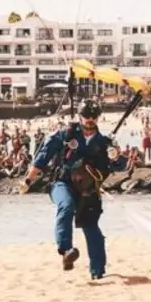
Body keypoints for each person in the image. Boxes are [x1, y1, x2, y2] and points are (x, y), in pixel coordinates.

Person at [22, 100, 122, 280]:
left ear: (98, 117)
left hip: (88, 188)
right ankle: (66, 250)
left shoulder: (104, 142)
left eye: (94, 116)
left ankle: (97, 271)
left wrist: (115, 156)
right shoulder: (64, 135)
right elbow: (43, 157)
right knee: (66, 206)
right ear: (80, 116)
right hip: (62, 183)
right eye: (86, 116)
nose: (90, 119)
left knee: (91, 227)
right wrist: (28, 180)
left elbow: (117, 166)